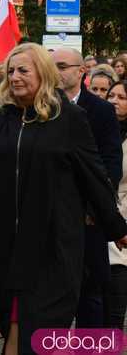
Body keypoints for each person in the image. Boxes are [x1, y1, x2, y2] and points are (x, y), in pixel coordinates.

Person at [0, 43, 127, 355]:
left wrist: (116, 227)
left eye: (23, 70)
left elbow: (94, 177)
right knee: (10, 321)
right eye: (10, 71)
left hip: (53, 246)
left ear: (44, 74)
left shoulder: (70, 118)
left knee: (36, 331)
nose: (15, 77)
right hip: (4, 243)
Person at [51, 47, 123, 328]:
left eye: (61, 66)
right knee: (52, 292)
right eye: (51, 65)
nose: (55, 71)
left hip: (89, 217)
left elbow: (110, 164)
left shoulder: (102, 110)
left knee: (90, 293)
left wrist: (96, 207)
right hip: (52, 214)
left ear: (81, 72)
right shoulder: (43, 106)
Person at [105, 80, 127, 330]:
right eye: (112, 95)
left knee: (114, 307)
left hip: (122, 228)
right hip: (96, 221)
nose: (114, 100)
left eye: (122, 97)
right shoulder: (95, 128)